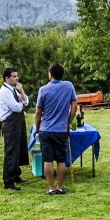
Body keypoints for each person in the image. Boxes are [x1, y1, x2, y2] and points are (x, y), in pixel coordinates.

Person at [33, 62, 77, 195]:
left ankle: (51, 188)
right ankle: (60, 187)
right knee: (61, 160)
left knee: (48, 160)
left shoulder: (43, 89)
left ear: (50, 74)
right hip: (61, 130)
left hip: (45, 130)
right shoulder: (69, 86)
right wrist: (69, 122)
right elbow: (74, 106)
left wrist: (37, 127)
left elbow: (38, 112)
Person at [0, 68, 29, 191]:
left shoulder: (13, 90)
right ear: (7, 78)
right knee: (11, 151)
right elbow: (17, 107)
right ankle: (8, 181)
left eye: (17, 76)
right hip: (10, 124)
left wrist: (22, 91)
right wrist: (20, 103)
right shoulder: (5, 92)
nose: (17, 78)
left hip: (17, 122)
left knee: (19, 149)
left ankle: (16, 175)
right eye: (14, 76)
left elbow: (26, 101)